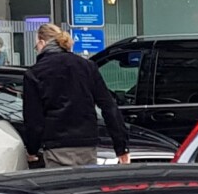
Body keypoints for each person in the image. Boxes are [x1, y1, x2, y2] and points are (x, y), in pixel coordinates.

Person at [18, 23, 129, 168]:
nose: (37, 51)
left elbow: (34, 119)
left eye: (36, 47)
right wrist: (121, 147)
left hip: (56, 145)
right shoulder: (87, 66)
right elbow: (109, 106)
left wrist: (32, 150)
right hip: (87, 143)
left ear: (42, 43)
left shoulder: (35, 73)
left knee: (61, 188)